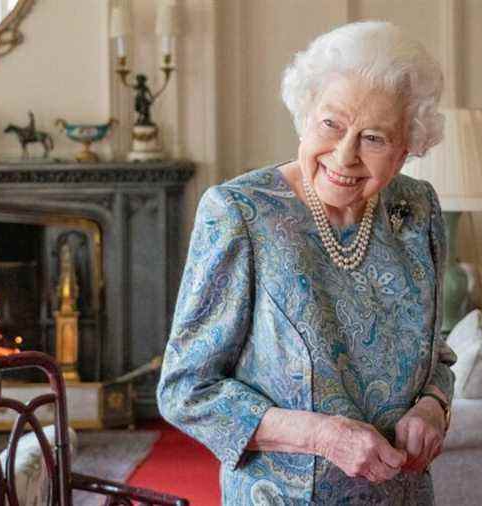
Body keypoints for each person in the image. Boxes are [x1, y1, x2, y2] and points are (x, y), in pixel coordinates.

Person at [158, 21, 456, 505]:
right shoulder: (240, 213)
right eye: (332, 124)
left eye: (374, 138)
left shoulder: (416, 209)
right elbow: (186, 391)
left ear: (405, 150)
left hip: (403, 495)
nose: (345, 154)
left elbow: (435, 351)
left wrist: (432, 407)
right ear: (305, 114)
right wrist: (321, 436)